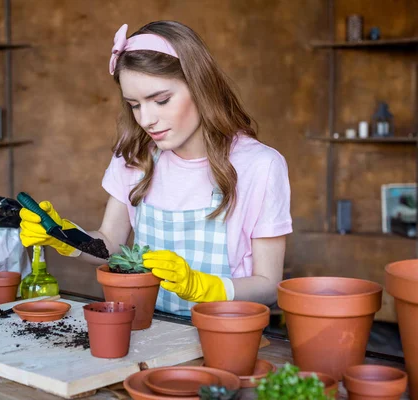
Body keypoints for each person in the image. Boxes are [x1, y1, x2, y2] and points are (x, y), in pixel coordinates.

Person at [19, 21, 292, 316]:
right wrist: (63, 235)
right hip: (149, 330)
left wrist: (208, 288)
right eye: (134, 105)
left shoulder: (260, 166)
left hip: (226, 334)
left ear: (201, 86)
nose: (147, 119)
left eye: (160, 100)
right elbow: (109, 244)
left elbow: (268, 284)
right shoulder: (135, 158)